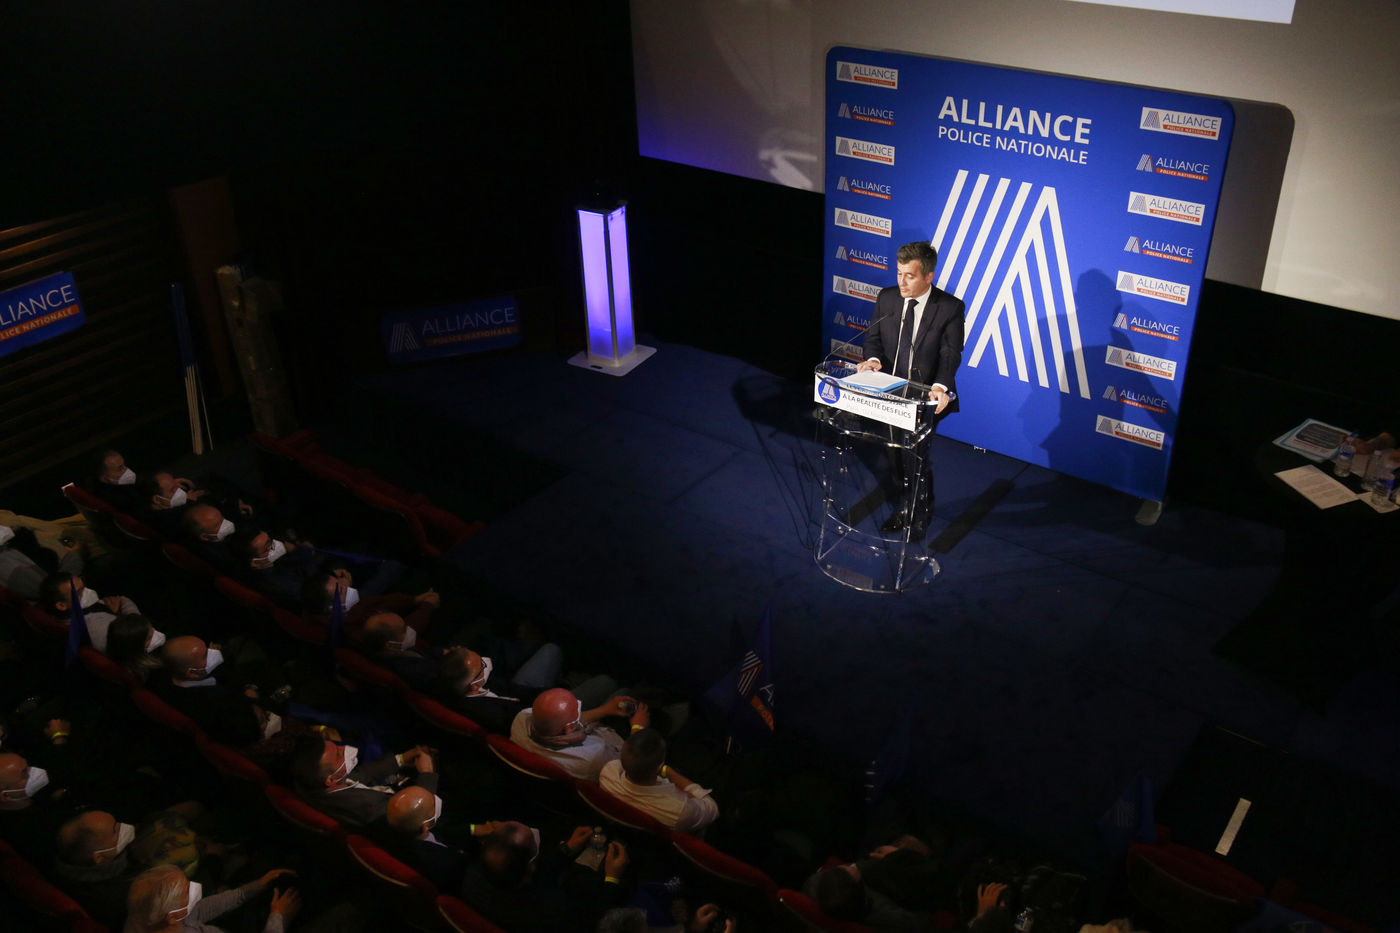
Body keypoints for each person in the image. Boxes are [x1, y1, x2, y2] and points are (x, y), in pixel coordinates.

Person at [855, 241, 965, 539]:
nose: (901, 282)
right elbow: (874, 339)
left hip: (926, 398)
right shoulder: (887, 298)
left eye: (910, 276)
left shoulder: (950, 307)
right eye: (899, 273)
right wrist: (873, 360)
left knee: (915, 456)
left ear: (928, 276)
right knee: (894, 454)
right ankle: (904, 506)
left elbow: (950, 353)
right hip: (889, 393)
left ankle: (918, 514)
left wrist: (940, 387)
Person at [460, 821, 631, 933]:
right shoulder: (554, 913)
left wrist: (567, 849)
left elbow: (533, 872)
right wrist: (612, 878)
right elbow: (594, 919)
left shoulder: (471, 874)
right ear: (530, 864)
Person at [290, 735, 438, 830]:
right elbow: (414, 813)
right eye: (338, 754)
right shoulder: (368, 807)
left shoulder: (312, 781)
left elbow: (361, 774)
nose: (344, 748)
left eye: (337, 746)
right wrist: (427, 772)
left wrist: (402, 759)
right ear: (330, 780)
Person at [510, 688, 647, 782]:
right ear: (569, 728)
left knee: (607, 684)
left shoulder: (521, 719)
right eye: (577, 709)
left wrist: (605, 710)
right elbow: (629, 763)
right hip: (620, 743)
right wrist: (638, 728)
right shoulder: (592, 759)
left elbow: (567, 722)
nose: (580, 705)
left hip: (586, 730)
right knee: (626, 692)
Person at [599, 728, 718, 833]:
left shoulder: (607, 773)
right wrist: (668, 771)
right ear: (660, 765)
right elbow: (712, 808)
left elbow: (631, 758)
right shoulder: (679, 811)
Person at [122, 863, 298, 933]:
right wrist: (279, 918)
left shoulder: (146, 915)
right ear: (171, 917)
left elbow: (201, 909)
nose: (194, 887)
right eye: (186, 892)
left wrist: (253, 888)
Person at [53, 810, 142, 927]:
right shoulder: (116, 898)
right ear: (99, 857)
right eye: (115, 830)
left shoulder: (68, 861)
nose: (123, 826)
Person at [381, 785, 468, 891]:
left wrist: (472, 829)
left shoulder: (393, 824)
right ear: (425, 827)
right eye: (433, 805)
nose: (436, 799)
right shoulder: (448, 863)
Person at [37, 571, 147, 654]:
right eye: (79, 592)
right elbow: (142, 635)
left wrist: (108, 610)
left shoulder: (83, 609)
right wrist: (126, 605)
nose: (88, 592)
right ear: (61, 605)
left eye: (84, 586)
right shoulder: (94, 629)